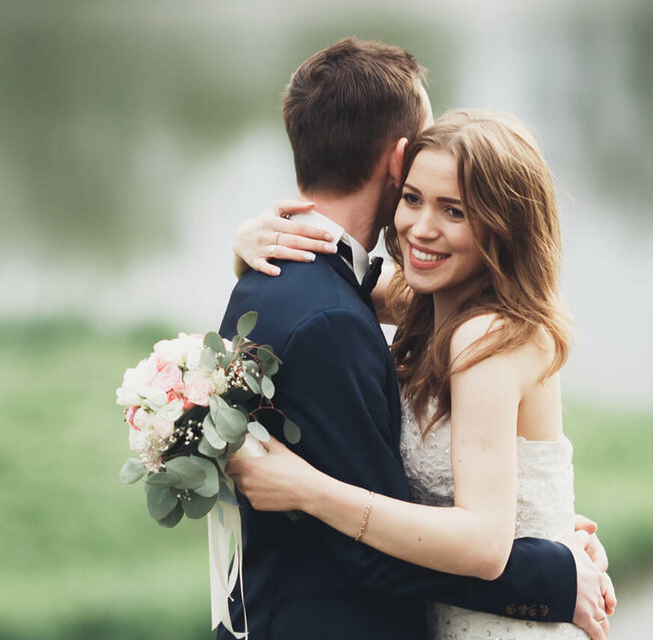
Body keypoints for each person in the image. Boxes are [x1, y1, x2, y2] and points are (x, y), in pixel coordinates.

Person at [214, 39, 614, 640]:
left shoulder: (485, 333)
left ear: (502, 226)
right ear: (400, 165)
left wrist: (309, 489)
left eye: (455, 210)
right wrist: (245, 241)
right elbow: (345, 280)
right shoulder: (426, 302)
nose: (421, 228)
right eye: (413, 198)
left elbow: (483, 542)